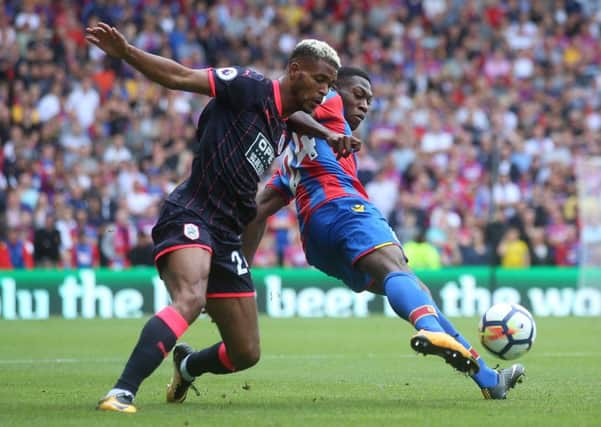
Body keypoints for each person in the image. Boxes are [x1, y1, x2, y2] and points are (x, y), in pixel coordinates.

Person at [86, 22, 356, 413]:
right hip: (193, 211)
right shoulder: (248, 85)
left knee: (246, 352)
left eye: (329, 85)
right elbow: (180, 77)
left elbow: (290, 118)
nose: (324, 91)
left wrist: (328, 135)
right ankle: (121, 391)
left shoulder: (283, 118)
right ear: (295, 70)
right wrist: (126, 52)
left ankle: (188, 364)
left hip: (228, 234)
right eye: (319, 80)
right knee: (191, 299)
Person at [242, 67, 525, 400]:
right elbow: (291, 111)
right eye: (358, 95)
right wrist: (330, 132)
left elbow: (257, 211)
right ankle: (433, 333)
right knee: (401, 277)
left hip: (317, 243)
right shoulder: (329, 102)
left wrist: (240, 271)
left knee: (415, 290)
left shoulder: (295, 159)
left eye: (369, 100)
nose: (364, 105)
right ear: (333, 89)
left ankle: (489, 380)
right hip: (345, 209)